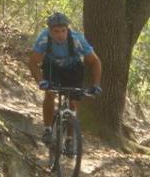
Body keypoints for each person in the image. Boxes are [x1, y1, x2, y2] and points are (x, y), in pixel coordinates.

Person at [28, 12, 102, 144]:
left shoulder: (77, 39)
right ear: (49, 31)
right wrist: (41, 82)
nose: (60, 35)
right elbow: (33, 62)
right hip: (52, 67)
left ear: (67, 29)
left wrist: (96, 85)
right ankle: (48, 129)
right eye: (56, 31)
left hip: (73, 69)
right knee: (50, 94)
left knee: (73, 103)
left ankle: (69, 138)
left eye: (63, 31)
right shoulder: (44, 38)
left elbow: (95, 61)